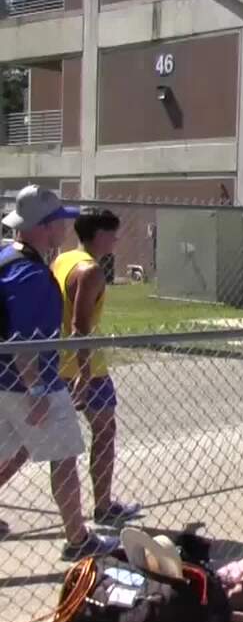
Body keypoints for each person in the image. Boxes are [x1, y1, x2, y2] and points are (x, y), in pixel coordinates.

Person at [0, 185, 118, 558]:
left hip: (4, 382)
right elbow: (26, 341)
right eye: (58, 223)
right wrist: (36, 391)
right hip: (34, 384)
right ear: (43, 226)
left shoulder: (7, 256)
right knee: (64, 458)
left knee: (7, 453)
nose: (64, 229)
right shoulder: (30, 275)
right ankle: (78, 539)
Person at [51, 209, 142, 525]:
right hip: (86, 368)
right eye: (112, 233)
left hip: (55, 361)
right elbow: (80, 327)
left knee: (32, 442)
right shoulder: (90, 271)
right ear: (99, 235)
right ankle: (103, 507)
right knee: (104, 432)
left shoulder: (64, 259)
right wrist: (85, 376)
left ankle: (102, 506)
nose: (116, 239)